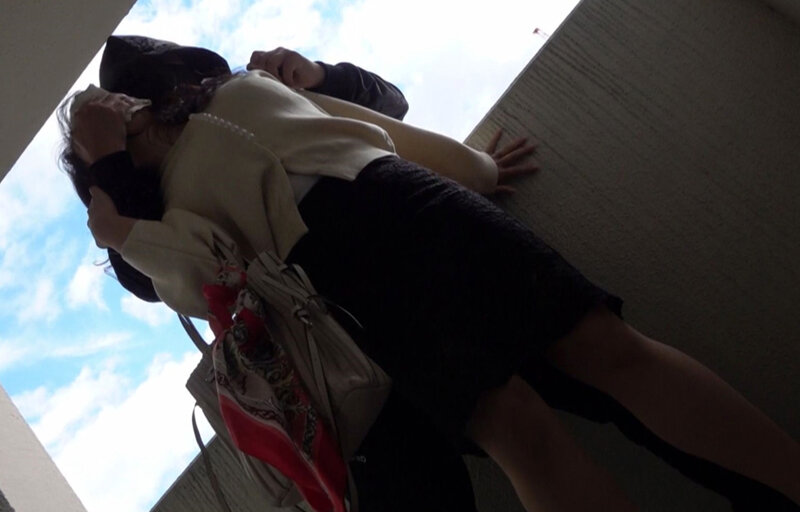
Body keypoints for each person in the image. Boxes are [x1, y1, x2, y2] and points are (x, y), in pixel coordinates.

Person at [60, 40, 800, 511]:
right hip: (336, 276)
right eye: (101, 111)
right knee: (519, 429)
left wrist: (473, 167)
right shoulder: (140, 210)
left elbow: (379, 119)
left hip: (402, 199)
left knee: (609, 350)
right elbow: (177, 282)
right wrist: (110, 170)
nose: (115, 98)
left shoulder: (231, 90)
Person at [76, 35, 479, 512]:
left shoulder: (240, 98)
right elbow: (145, 277)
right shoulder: (162, 192)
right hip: (334, 357)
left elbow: (381, 112)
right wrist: (111, 168)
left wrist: (320, 76)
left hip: (380, 314)